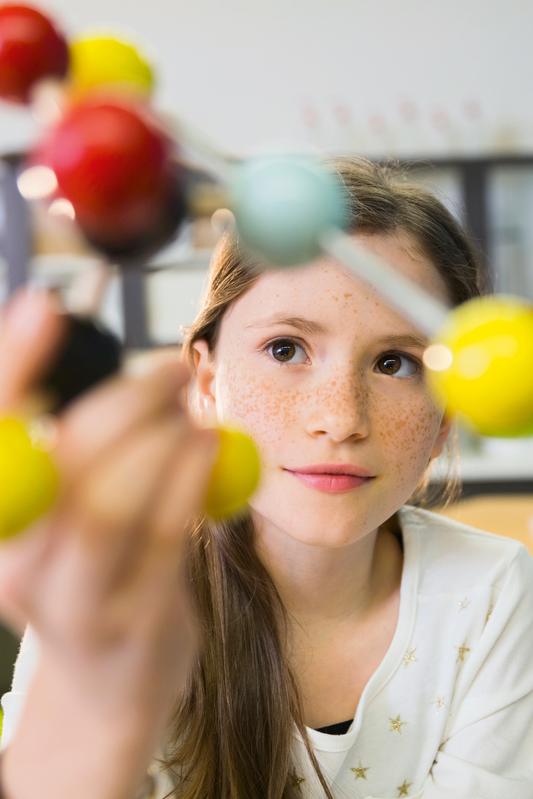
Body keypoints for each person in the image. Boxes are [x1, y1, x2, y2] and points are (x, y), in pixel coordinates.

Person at [1, 157, 533, 799]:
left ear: (448, 410)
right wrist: (90, 706)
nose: (340, 420)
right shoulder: (115, 587)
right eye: (286, 349)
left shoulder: (495, 594)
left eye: (395, 363)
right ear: (205, 378)